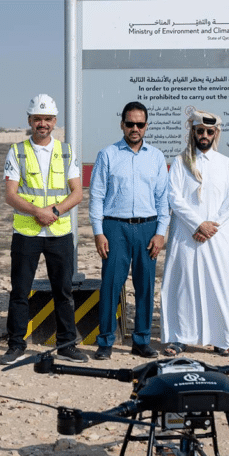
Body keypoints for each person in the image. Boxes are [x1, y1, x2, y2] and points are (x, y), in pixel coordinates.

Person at [0, 94, 86, 364]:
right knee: (20, 292)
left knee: (63, 292)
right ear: (29, 120)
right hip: (27, 232)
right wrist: (38, 212)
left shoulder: (66, 151)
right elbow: (10, 195)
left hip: (59, 233)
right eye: (37, 118)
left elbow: (77, 193)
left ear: (55, 121)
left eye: (47, 119)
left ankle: (67, 345)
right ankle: (16, 345)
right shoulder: (17, 151)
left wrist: (55, 212)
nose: (42, 124)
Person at [89, 101, 169, 360]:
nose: (135, 128)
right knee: (111, 285)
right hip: (115, 227)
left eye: (140, 124)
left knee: (145, 285)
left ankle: (141, 340)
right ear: (122, 124)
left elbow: (163, 198)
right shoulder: (108, 155)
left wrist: (161, 232)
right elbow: (96, 196)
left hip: (148, 228)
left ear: (146, 126)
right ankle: (105, 341)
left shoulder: (156, 157)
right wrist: (98, 232)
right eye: (130, 123)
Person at [160, 111, 229, 357]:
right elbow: (174, 197)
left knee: (218, 286)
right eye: (200, 131)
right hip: (186, 235)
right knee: (183, 285)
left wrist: (211, 226)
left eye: (209, 131)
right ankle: (179, 338)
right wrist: (197, 224)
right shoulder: (180, 162)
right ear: (192, 132)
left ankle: (222, 339)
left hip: (216, 236)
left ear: (215, 134)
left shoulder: (226, 164)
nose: (204, 135)